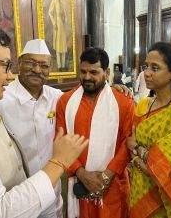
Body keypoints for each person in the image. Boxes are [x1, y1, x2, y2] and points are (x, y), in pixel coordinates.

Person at [0, 21, 88, 218]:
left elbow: (82, 98)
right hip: (24, 200)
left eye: (44, 65)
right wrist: (59, 162)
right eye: (5, 65)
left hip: (45, 193)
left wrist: (112, 90)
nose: (9, 76)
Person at [56, 47, 134, 218]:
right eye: (83, 71)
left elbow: (126, 143)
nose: (87, 77)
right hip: (79, 181)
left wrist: (106, 177)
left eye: (93, 72)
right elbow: (60, 140)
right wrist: (82, 174)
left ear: (106, 73)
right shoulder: (66, 101)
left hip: (113, 183)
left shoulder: (124, 102)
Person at [127, 42, 171, 218]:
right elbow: (130, 141)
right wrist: (139, 153)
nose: (147, 73)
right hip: (138, 189)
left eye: (155, 68)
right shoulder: (144, 104)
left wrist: (136, 150)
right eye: (146, 66)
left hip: (166, 194)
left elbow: (165, 166)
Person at [0, 39, 64, 218]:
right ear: (19, 62)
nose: (37, 70)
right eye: (31, 63)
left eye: (43, 65)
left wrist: (113, 90)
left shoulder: (57, 97)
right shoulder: (0, 98)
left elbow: (85, 100)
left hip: (51, 191)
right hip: (15, 197)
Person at [48, 0, 68, 70]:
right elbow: (50, 12)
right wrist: (54, 23)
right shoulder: (54, 0)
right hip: (57, 25)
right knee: (58, 45)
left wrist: (65, 18)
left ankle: (63, 65)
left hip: (62, 25)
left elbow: (65, 13)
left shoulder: (62, 2)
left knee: (63, 46)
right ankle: (59, 66)